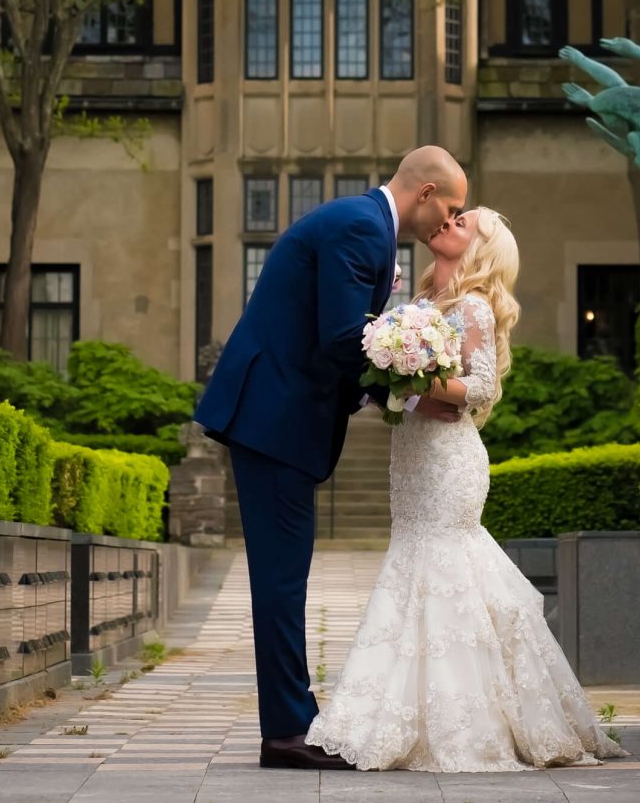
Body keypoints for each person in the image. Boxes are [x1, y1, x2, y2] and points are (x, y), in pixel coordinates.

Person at [307, 207, 623, 771]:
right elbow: (401, 387)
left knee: (445, 562)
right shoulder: (420, 307)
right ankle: (404, 713)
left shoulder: (472, 305)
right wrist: (394, 378)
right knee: (416, 562)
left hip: (449, 463)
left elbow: (480, 386)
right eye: (450, 216)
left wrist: (413, 376)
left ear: (476, 248)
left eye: (460, 223)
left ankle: (469, 723)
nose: (446, 223)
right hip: (413, 456)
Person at [195, 145, 467, 769]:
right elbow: (345, 338)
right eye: (449, 208)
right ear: (425, 193)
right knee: (282, 580)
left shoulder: (365, 227)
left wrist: (395, 375)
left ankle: (291, 723)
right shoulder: (360, 227)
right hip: (273, 418)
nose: (448, 223)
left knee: (284, 579)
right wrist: (412, 382)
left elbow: (346, 336)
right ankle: (288, 732)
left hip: (279, 418)